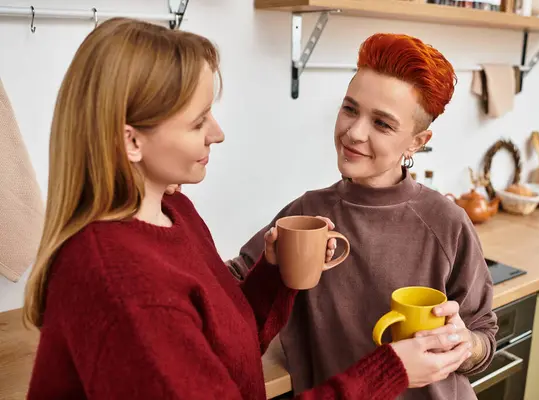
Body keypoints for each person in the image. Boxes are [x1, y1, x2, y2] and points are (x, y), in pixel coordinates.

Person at [23, 19, 473, 400]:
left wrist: (273, 275)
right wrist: (389, 370)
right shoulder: (123, 286)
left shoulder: (175, 212)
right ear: (131, 141)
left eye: (381, 122)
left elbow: (226, 339)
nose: (217, 133)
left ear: (418, 142)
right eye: (199, 121)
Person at [226, 33, 499, 399]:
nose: (354, 132)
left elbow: (482, 334)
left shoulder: (446, 222)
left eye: (382, 124)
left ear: (417, 142)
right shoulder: (308, 214)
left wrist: (466, 343)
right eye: (350, 109)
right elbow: (234, 287)